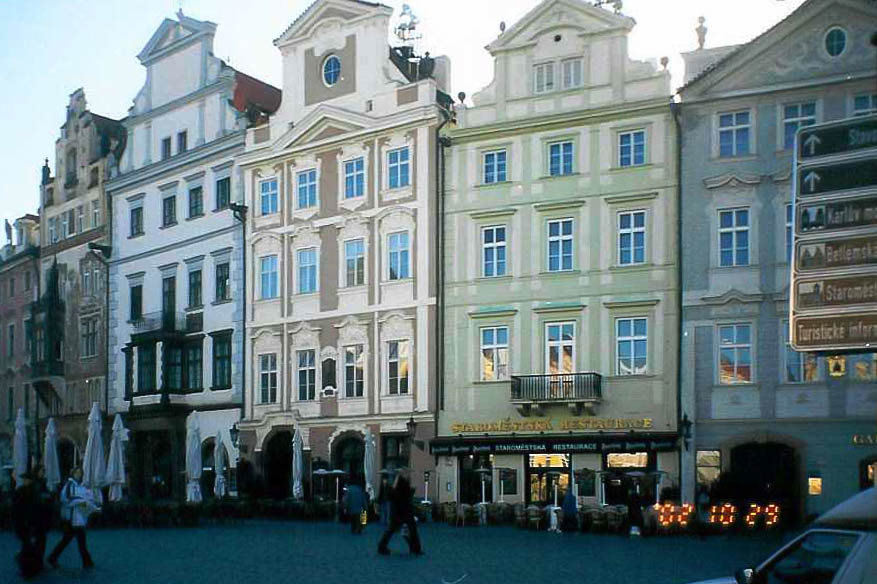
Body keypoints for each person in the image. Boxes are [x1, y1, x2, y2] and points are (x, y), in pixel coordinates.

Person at [47, 467, 97, 569]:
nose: (79, 474)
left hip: (77, 518)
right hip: (72, 519)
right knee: (79, 541)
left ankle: (53, 557)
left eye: (80, 473)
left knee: (68, 540)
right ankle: (87, 562)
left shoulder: (78, 486)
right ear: (73, 473)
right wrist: (79, 502)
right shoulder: (70, 485)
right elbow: (65, 499)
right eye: (77, 473)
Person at [377, 472, 422, 556]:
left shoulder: (395, 489)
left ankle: (381, 547)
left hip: (397, 513)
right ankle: (416, 548)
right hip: (406, 512)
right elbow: (408, 497)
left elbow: (390, 495)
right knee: (412, 530)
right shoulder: (405, 488)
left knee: (391, 530)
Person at [12, 471, 44, 578]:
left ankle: (29, 567)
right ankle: (27, 569)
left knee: (29, 546)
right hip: (26, 524)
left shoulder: (32, 492)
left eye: (27, 480)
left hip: (29, 524)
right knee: (28, 547)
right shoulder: (26, 492)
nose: (26, 481)